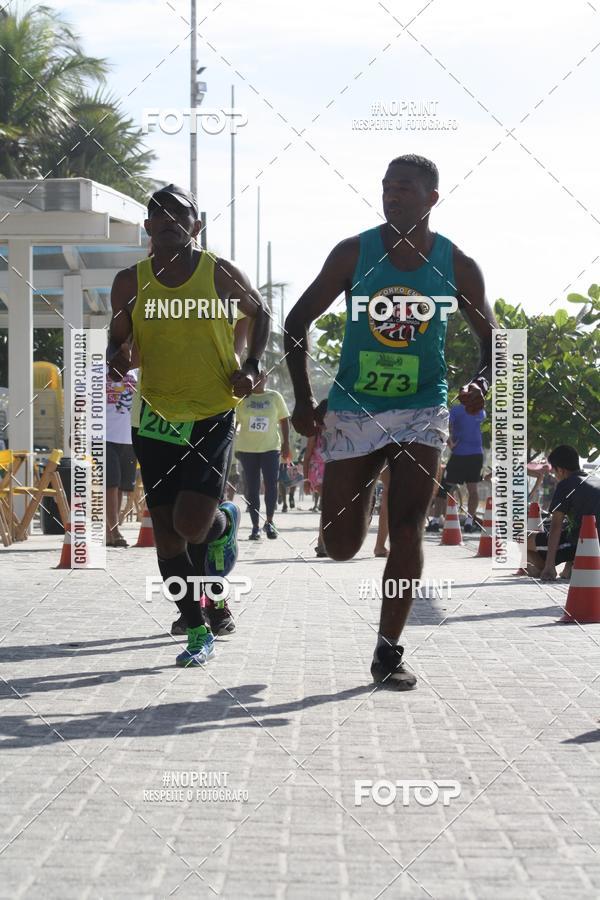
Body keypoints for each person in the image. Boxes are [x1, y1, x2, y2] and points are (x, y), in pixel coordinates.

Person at [285, 153, 496, 690]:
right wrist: (306, 402)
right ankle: (350, 503)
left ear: (432, 197)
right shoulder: (355, 253)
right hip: (355, 410)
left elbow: (494, 339)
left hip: (422, 411)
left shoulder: (457, 265)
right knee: (341, 546)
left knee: (406, 531)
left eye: (404, 188)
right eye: (386, 188)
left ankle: (387, 651)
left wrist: (481, 384)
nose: (392, 195)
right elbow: (295, 321)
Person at [107, 183, 269, 667]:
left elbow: (259, 311)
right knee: (169, 532)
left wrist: (253, 363)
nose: (169, 222)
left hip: (210, 413)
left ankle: (222, 525)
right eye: (159, 215)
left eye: (180, 216)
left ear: (196, 226)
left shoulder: (218, 272)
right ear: (148, 227)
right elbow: (120, 341)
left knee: (194, 523)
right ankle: (196, 628)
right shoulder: (129, 283)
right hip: (153, 417)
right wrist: (117, 360)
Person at [527, 445, 600, 581]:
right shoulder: (594, 478)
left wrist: (550, 566)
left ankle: (543, 568)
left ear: (560, 470)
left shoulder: (566, 484)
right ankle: (568, 568)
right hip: (590, 539)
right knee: (573, 530)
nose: (555, 477)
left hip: (586, 544)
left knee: (522, 539)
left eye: (554, 473)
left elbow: (556, 527)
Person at [235, 372, 291, 539]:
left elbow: (284, 419)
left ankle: (269, 522)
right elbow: (234, 422)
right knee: (252, 488)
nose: (258, 380)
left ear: (266, 378)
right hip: (247, 449)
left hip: (270, 448)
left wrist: (286, 443)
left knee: (271, 485)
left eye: (261, 376)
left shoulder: (274, 396)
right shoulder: (242, 398)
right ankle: (255, 526)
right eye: (254, 376)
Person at [105, 365, 138, 546]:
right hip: (103, 436)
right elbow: (80, 400)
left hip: (129, 438)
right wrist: (74, 431)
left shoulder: (137, 372)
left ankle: (110, 531)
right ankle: (115, 530)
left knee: (120, 487)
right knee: (111, 483)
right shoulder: (97, 370)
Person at [444, 402, 485, 532]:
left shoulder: (480, 410)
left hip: (475, 454)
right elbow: (445, 425)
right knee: (447, 487)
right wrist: (449, 442)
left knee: (473, 488)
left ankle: (469, 521)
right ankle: (447, 518)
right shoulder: (456, 410)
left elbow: (480, 417)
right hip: (458, 454)